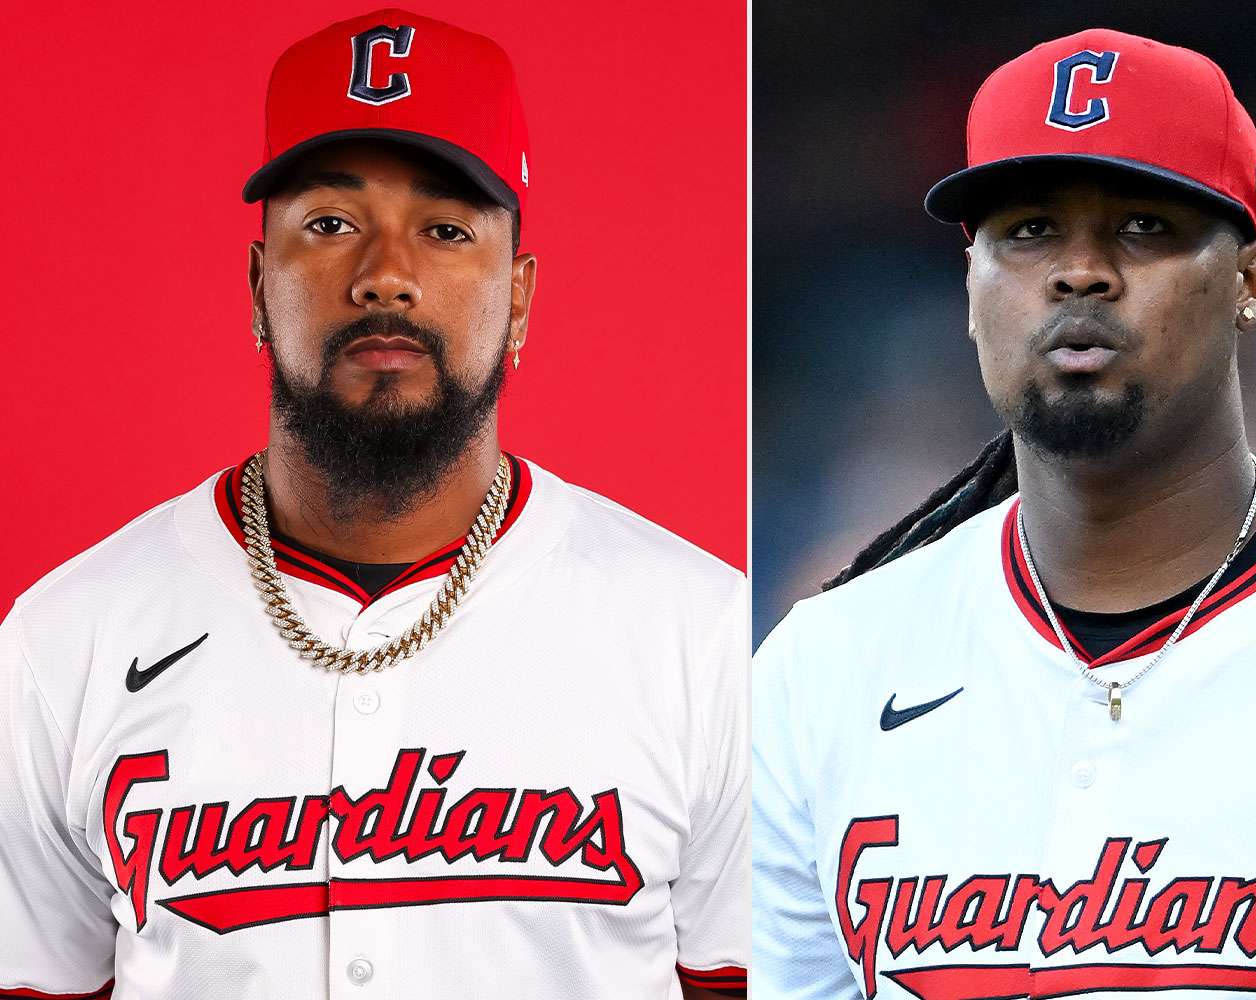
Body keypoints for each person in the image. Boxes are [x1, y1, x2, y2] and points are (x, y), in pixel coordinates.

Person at [1, 10, 746, 999]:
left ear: (518, 298)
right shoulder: (64, 641)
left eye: (444, 230)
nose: (385, 275)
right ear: (259, 284)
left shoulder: (700, 637)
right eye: (329, 225)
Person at [752, 28, 1256, 998]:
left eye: (1143, 226)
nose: (1079, 273)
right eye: (1028, 231)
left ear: (1253, 280)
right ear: (968, 285)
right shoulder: (827, 672)